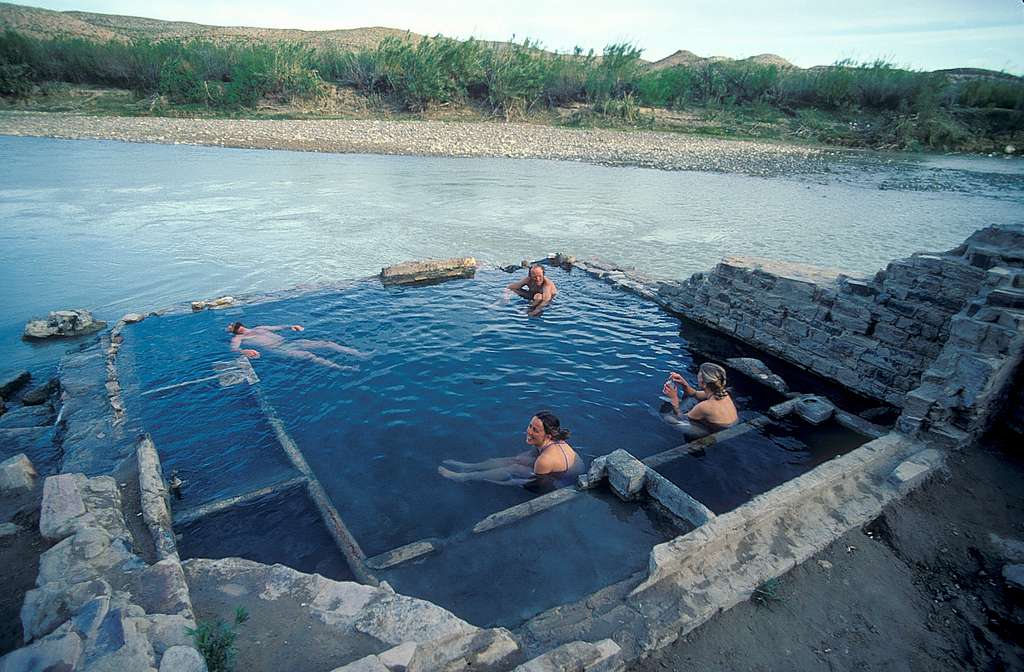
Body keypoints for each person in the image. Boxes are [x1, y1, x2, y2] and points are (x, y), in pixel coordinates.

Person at [438, 411, 582, 490]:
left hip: (564, 481)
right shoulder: (552, 440)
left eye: (535, 430)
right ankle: (469, 467)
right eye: (530, 426)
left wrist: (506, 483)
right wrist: (515, 460)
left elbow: (536, 485)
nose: (529, 431)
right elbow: (526, 456)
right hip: (559, 468)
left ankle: (462, 478)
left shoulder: (545, 460)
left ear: (548, 435)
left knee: (514, 469)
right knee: (515, 461)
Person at [226, 321, 366, 371]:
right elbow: (234, 350)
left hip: (288, 342)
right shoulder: (238, 338)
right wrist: (245, 351)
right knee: (308, 356)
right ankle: (343, 368)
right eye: (232, 327)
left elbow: (279, 327)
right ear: (233, 332)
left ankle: (360, 354)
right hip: (278, 349)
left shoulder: (260, 328)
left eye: (234, 325)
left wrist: (291, 326)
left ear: (241, 324)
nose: (234, 327)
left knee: (326, 343)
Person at [662, 362, 739, 438]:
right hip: (731, 425)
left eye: (699, 374)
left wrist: (673, 398)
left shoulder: (704, 406)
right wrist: (684, 383)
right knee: (693, 399)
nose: (697, 376)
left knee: (669, 418)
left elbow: (680, 417)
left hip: (719, 431)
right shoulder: (723, 393)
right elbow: (695, 394)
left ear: (704, 383)